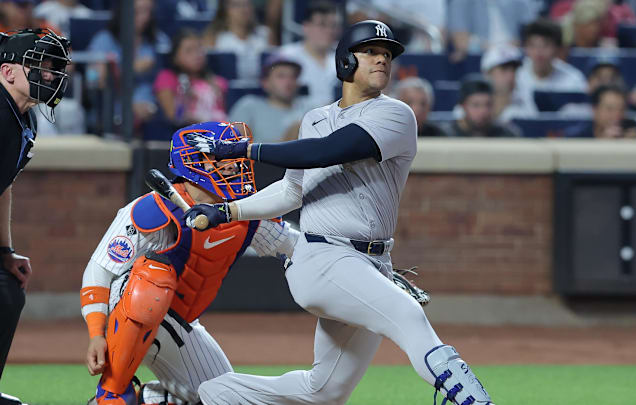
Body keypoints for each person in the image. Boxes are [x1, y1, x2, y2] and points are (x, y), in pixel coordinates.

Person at [182, 20, 495, 405]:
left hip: (373, 263)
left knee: (325, 392)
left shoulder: (396, 115)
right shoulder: (315, 117)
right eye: (371, 52)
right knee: (409, 316)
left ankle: (215, 395)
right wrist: (227, 211)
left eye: (387, 55)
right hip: (321, 258)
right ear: (346, 62)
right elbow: (291, 191)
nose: (382, 59)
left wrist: (244, 150)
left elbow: (323, 152)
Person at [83, 121, 301, 405]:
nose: (235, 165)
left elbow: (296, 245)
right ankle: (113, 393)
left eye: (235, 157)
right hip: (131, 306)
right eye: (223, 158)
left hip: (180, 320)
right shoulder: (154, 208)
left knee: (221, 398)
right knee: (153, 278)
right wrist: (96, 333)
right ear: (194, 163)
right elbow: (99, 271)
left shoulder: (245, 210)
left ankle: (144, 398)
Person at [0, 28, 70, 405]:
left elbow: (3, 184)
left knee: (6, 291)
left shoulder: (24, 117)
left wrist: (4, 251)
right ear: (8, 72)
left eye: (52, 68)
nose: (49, 75)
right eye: (39, 67)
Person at [86, 0, 170, 127]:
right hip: (114, 112)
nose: (145, 17)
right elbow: (96, 83)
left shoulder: (159, 40)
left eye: (149, 11)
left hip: (154, 113)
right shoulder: (103, 41)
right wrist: (130, 69)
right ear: (123, 12)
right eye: (139, 11)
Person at [227, 54, 311, 142]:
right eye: (281, 76)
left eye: (293, 76)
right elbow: (233, 146)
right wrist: (288, 139)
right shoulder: (249, 106)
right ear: (265, 83)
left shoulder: (309, 107)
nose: (288, 81)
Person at [154, 29, 228, 129]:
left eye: (199, 49)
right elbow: (173, 117)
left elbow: (222, 113)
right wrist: (186, 97)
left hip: (221, 132)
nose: (197, 55)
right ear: (175, 57)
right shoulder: (167, 78)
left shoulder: (217, 82)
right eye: (189, 51)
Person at [516, 18, 587, 113]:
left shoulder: (573, 79)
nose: (538, 52)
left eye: (545, 45)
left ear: (557, 48)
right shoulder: (516, 75)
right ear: (525, 48)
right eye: (533, 45)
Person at [278, 0, 340, 108]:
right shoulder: (286, 56)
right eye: (322, 24)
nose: (329, 30)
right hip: (297, 120)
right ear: (306, 27)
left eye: (333, 25)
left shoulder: (343, 57)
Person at [446, 0, 540, 61]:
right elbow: (462, 43)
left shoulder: (518, 2)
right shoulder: (460, 2)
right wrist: (497, 49)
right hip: (479, 58)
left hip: (515, 56)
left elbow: (532, 34)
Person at [204, 0, 272, 82]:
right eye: (236, 5)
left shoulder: (265, 33)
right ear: (225, 10)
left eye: (247, 4)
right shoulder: (213, 37)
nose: (243, 9)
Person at [445, 76, 521, 137]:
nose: (483, 111)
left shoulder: (506, 135)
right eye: (476, 105)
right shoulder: (447, 135)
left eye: (488, 104)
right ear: (463, 106)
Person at [480, 43, 533, 122]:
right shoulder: (471, 100)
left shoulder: (525, 100)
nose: (511, 76)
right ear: (487, 73)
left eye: (514, 70)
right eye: (504, 69)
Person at [564, 84, 636, 138]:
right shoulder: (576, 137)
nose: (617, 114)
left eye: (622, 109)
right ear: (595, 109)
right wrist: (602, 145)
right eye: (610, 109)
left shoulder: (630, 133)